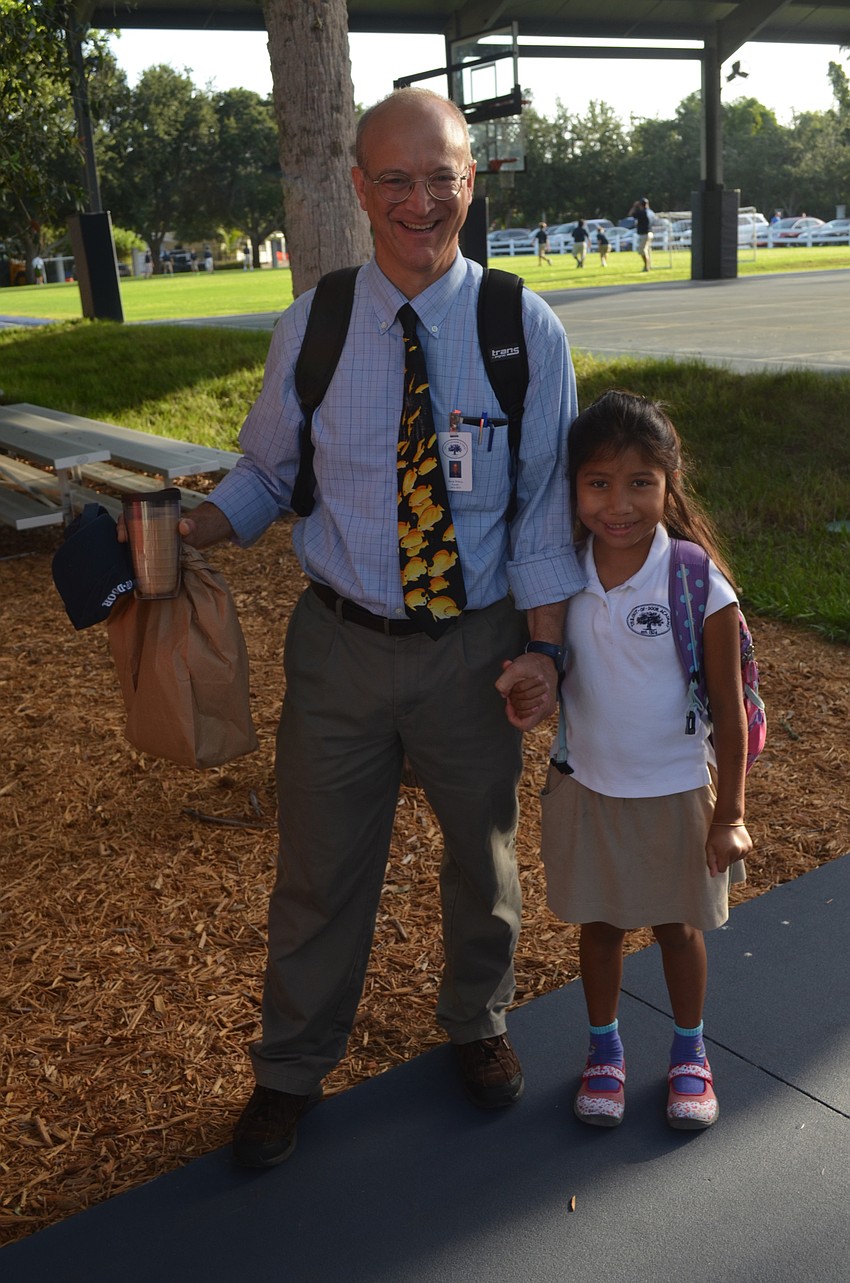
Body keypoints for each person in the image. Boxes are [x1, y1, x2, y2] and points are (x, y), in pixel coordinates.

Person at [140, 87, 583, 1168]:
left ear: (469, 184)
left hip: (475, 648)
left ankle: (475, 1022)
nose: (420, 201)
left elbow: (537, 511)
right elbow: (266, 475)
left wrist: (544, 649)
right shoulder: (319, 320)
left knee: (482, 861)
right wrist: (182, 527)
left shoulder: (520, 329)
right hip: (337, 646)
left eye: (441, 178)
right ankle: (290, 1068)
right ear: (359, 188)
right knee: (320, 868)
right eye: (396, 179)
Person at [538, 390, 753, 1131]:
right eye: (599, 483)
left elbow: (728, 708)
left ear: (668, 482)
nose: (618, 503)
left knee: (674, 926)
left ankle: (690, 1052)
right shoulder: (561, 573)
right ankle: (604, 1049)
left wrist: (731, 814)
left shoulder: (695, 581)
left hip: (674, 791)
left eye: (639, 483)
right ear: (573, 488)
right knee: (598, 925)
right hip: (590, 786)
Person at [629, 198, 654, 271]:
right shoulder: (650, 212)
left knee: (642, 250)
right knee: (647, 250)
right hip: (650, 232)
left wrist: (634, 206)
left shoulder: (642, 212)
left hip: (644, 234)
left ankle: (646, 267)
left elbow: (630, 214)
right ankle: (648, 265)